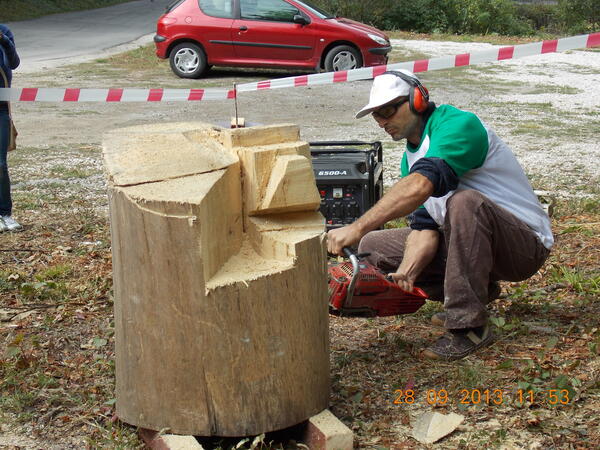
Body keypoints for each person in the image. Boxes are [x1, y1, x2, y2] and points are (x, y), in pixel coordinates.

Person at [327, 70, 553, 361]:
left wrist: (356, 227)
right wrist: (406, 273)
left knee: (465, 203)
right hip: (474, 241)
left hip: (524, 246)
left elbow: (423, 185)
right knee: (375, 245)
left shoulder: (459, 125)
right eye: (376, 116)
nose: (382, 122)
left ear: (417, 99)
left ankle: (469, 326)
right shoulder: (411, 158)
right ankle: (479, 290)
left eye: (387, 110)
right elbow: (425, 228)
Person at [0, 23, 21, 232]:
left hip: (1, 109)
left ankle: (5, 214)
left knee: (0, 164)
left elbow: (13, 63)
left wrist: (3, 41)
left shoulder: (4, 32)